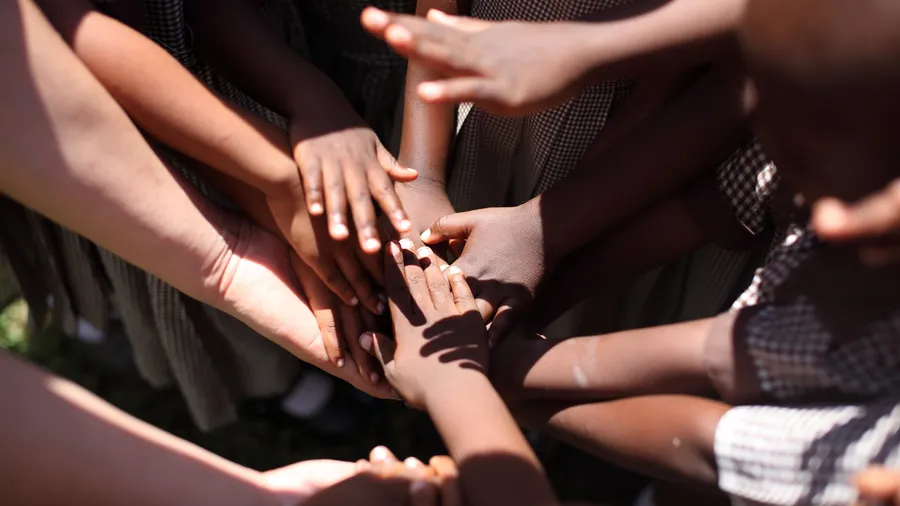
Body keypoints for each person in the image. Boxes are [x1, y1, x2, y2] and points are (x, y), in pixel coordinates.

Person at [366, 0, 900, 503]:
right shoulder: (833, 133)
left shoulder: (878, 432)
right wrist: (533, 264)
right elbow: (721, 206)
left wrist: (464, 379)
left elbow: (709, 437)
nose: (826, 216)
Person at [364, 0, 772, 345]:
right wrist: (423, 174)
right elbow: (440, 21)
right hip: (462, 102)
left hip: (634, 158)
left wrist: (549, 229)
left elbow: (722, 80)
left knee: (571, 324)